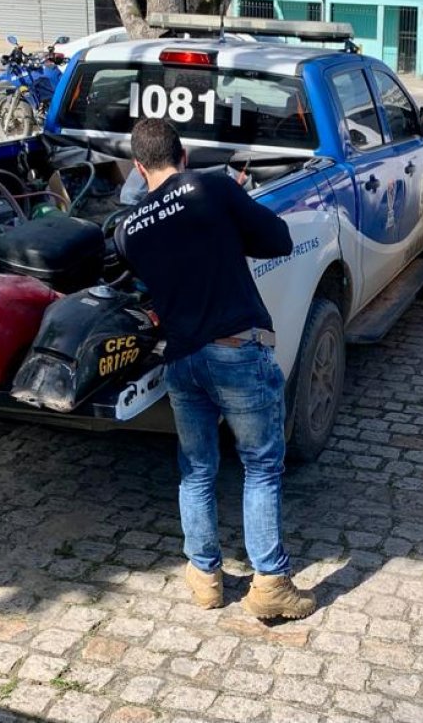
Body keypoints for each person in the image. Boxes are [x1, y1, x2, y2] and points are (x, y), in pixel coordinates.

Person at [116, 118, 316, 620]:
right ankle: (270, 582)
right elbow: (278, 240)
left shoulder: (129, 228)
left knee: (197, 469)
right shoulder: (213, 188)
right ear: (183, 156)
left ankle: (205, 576)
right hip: (235, 350)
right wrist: (238, 208)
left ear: (139, 168)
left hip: (182, 360)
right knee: (262, 466)